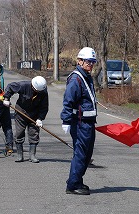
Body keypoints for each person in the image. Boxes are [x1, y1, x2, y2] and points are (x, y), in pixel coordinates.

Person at [60, 47, 98, 195]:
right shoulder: (76, 78)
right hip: (80, 123)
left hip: (88, 122)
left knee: (86, 154)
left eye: (93, 61)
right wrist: (66, 121)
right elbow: (68, 100)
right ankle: (73, 185)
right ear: (80, 61)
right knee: (81, 154)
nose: (91, 64)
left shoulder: (86, 76)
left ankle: (76, 180)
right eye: (88, 61)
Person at [3, 76, 49, 163]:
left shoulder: (43, 91)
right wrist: (6, 98)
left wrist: (40, 118)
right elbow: (10, 87)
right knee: (19, 133)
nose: (37, 92)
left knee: (34, 133)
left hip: (34, 114)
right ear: (32, 86)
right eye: (36, 91)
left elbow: (44, 107)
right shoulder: (23, 85)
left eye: (39, 91)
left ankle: (32, 155)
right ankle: (20, 155)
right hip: (21, 112)